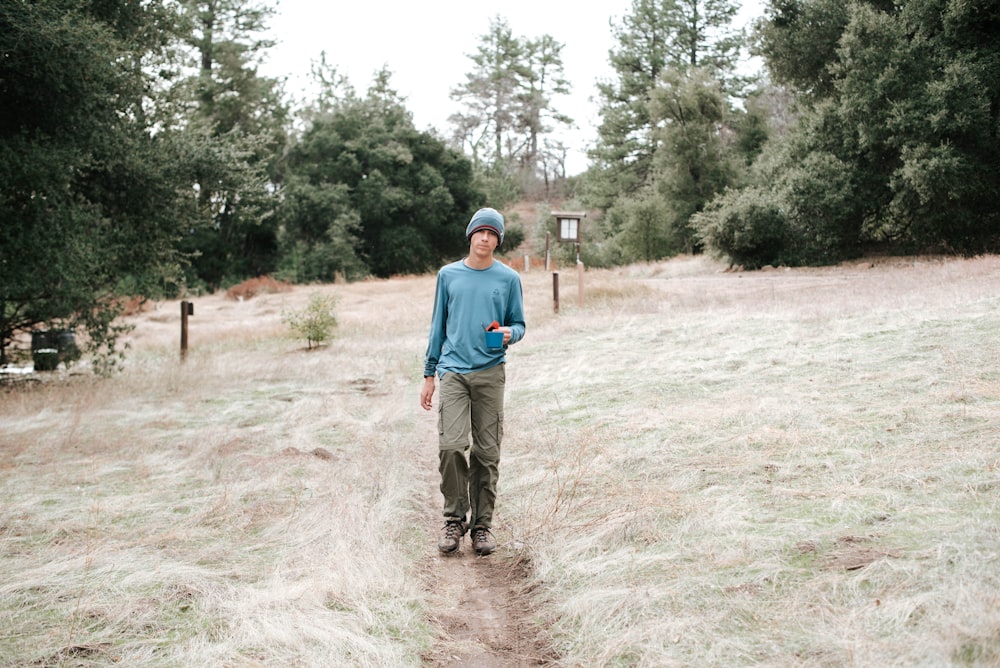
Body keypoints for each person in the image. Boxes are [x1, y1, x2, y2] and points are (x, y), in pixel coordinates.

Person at [420, 207, 526, 556]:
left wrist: (510, 332)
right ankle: (454, 520)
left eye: (492, 233)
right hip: (452, 372)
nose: (485, 238)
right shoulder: (448, 276)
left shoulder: (508, 279)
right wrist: (429, 374)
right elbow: (437, 327)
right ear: (470, 235)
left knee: (486, 452)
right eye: (480, 231)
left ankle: (482, 527)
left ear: (498, 240)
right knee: (451, 446)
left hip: (491, 373)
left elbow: (519, 324)